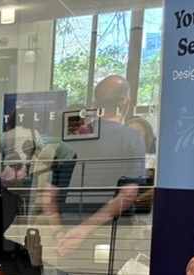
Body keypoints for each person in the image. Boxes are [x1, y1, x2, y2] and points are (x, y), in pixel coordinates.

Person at [56, 76, 147, 256]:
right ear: (127, 103)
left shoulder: (71, 139)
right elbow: (128, 195)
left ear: (94, 104)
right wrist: (85, 230)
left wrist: (60, 232)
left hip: (68, 231)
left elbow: (50, 194)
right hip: (111, 232)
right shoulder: (132, 139)